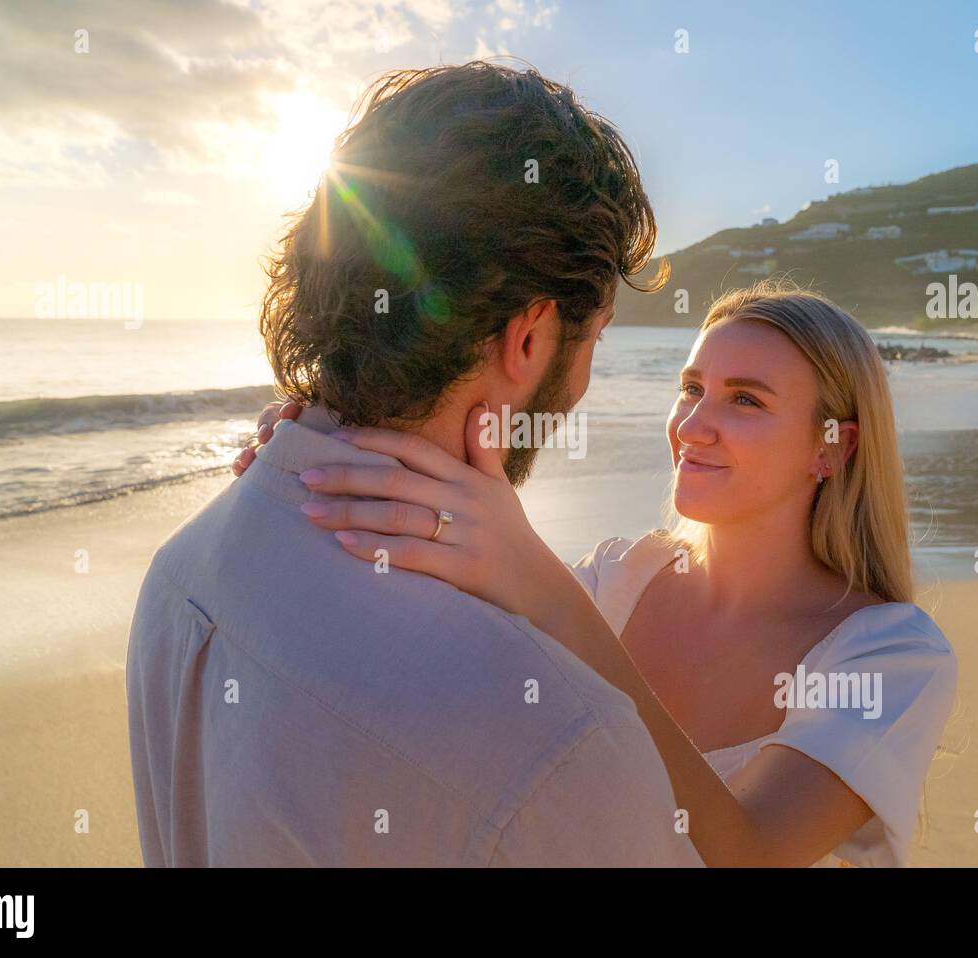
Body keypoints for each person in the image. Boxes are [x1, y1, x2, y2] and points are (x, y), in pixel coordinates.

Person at [126, 62, 703, 866]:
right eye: (594, 335)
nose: (582, 383)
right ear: (530, 337)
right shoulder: (564, 743)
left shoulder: (179, 570)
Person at [241, 282, 959, 866]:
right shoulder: (620, 580)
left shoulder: (891, 653)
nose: (693, 424)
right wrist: (327, 458)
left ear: (832, 447)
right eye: (691, 387)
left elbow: (751, 851)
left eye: (745, 400)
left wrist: (546, 591)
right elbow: (417, 652)